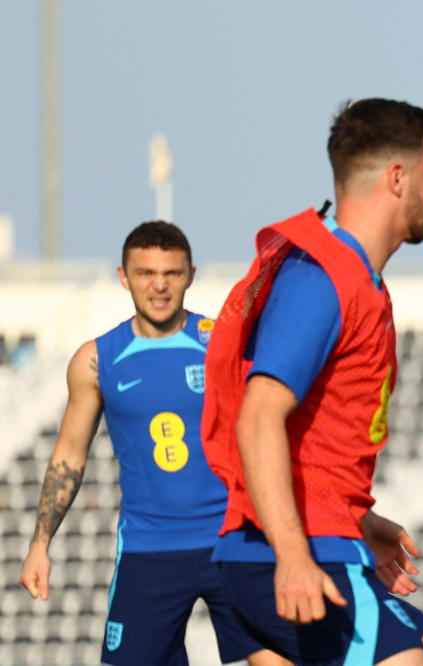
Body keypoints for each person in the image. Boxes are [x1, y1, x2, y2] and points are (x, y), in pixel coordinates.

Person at [201, 98, 423, 666]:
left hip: (315, 542)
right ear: (396, 178)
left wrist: (361, 520)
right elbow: (259, 415)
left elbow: (307, 437)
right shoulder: (325, 277)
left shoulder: (353, 276)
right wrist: (293, 555)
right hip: (292, 553)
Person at [18, 221, 285, 665]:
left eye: (172, 274)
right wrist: (40, 544)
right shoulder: (96, 359)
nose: (159, 286)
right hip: (149, 550)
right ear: (124, 277)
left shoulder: (225, 342)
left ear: (191, 275)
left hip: (234, 540)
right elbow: (69, 456)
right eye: (145, 273)